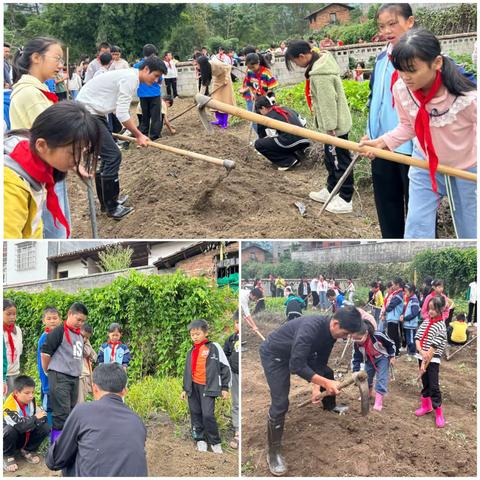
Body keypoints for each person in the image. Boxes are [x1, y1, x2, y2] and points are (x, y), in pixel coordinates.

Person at [361, 27, 477, 239]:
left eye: (412, 70)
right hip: (424, 164)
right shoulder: (401, 88)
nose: (405, 77)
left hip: (466, 167)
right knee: (417, 226)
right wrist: (383, 142)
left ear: (437, 63)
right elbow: (408, 126)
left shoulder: (466, 96)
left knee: (471, 228)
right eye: (401, 70)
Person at [259, 307, 365, 475]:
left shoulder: (331, 334)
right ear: (336, 324)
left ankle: (329, 406)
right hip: (276, 355)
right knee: (280, 403)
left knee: (327, 373)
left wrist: (317, 388)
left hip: (300, 353)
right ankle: (273, 453)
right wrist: (325, 382)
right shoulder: (310, 328)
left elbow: (320, 363)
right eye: (345, 334)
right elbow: (296, 366)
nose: (345, 338)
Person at [77, 55, 166, 219]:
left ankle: (107, 203)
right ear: (146, 69)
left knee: (106, 157)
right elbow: (122, 113)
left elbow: (116, 106)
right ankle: (112, 207)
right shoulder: (130, 79)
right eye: (155, 76)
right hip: (88, 113)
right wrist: (139, 135)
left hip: (95, 112)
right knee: (113, 155)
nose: (155, 80)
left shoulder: (130, 76)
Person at [4, 101, 100, 239]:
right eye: (73, 153)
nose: (78, 160)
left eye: (82, 152)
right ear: (42, 145)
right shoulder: (10, 188)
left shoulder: (30, 155)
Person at [9, 36, 72, 239]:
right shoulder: (30, 94)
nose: (60, 66)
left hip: (46, 169)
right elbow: (54, 135)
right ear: (36, 58)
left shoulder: (37, 91)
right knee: (53, 231)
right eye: (57, 59)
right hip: (40, 171)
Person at [285, 40, 354, 214]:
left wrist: (330, 129)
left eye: (295, 62)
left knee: (340, 159)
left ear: (302, 56)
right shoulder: (321, 61)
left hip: (335, 127)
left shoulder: (319, 74)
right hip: (332, 125)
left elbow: (328, 102)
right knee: (330, 158)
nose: (297, 65)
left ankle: (346, 198)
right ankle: (331, 188)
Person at [46, 363, 148, 476]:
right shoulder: (137, 421)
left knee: (70, 456)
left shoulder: (83, 412)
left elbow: (54, 461)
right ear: (124, 391)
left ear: (94, 388)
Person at [181, 320, 231, 454]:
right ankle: (200, 440)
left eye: (197, 334)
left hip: (208, 387)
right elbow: (187, 372)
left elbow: (225, 367)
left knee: (208, 414)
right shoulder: (191, 351)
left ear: (206, 333)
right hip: (193, 387)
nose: (195, 337)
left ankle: (215, 442)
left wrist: (225, 388)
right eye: (192, 335)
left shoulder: (214, 347)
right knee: (195, 413)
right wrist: (185, 389)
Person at [40, 302, 87, 443]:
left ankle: (69, 443)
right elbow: (45, 353)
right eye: (78, 319)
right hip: (60, 377)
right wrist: (50, 370)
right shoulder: (58, 331)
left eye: (83, 321)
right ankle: (57, 446)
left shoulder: (78, 334)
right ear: (69, 314)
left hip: (74, 378)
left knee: (72, 412)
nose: (80, 323)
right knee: (61, 414)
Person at [3, 375, 50, 473]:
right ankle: (8, 455)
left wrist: (36, 419)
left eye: (32, 392)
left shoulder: (31, 400)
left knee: (45, 427)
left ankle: (27, 450)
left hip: (24, 432)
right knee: (9, 430)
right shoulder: (9, 406)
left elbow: (42, 416)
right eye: (27, 393)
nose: (31, 396)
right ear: (16, 393)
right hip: (10, 437)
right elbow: (19, 426)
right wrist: (35, 418)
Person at [414, 295, 447, 428]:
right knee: (425, 382)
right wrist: (421, 352)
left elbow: (433, 349)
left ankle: (438, 412)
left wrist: (424, 364)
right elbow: (417, 337)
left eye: (433, 309)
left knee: (434, 385)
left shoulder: (441, 327)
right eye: (429, 309)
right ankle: (426, 407)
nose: (431, 312)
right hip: (422, 356)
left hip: (432, 360)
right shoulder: (426, 322)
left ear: (440, 309)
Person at [254, 96, 310, 171]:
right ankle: (297, 155)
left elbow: (264, 136)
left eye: (259, 111)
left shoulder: (267, 117)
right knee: (281, 137)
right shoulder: (285, 108)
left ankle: (288, 161)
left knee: (259, 144)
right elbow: (303, 121)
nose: (260, 113)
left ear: (263, 108)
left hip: (292, 141)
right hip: (305, 139)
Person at [352, 317, 396, 411]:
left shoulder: (378, 335)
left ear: (366, 333)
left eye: (359, 338)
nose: (358, 341)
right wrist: (355, 371)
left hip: (382, 357)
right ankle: (367, 395)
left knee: (381, 378)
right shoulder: (356, 344)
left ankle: (378, 401)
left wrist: (392, 356)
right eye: (355, 339)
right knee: (366, 378)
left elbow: (391, 344)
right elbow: (357, 358)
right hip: (369, 359)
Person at [133, 44, 167, 141]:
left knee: (145, 115)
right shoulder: (155, 65)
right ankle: (154, 135)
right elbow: (159, 80)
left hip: (142, 94)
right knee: (156, 116)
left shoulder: (137, 65)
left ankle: (144, 133)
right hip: (154, 93)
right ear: (154, 53)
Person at [196, 54, 236, 128]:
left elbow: (228, 67)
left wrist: (226, 79)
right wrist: (199, 96)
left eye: (198, 64)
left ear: (202, 64)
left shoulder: (216, 64)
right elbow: (204, 83)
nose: (197, 66)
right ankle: (219, 120)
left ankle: (224, 123)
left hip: (225, 81)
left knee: (224, 101)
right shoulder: (205, 69)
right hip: (217, 80)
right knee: (216, 101)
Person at [36, 306, 62, 425]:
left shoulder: (63, 336)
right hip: (49, 380)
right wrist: (46, 385)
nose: (52, 321)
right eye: (49, 318)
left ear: (60, 320)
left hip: (61, 379)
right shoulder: (44, 338)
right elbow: (42, 366)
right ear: (44, 321)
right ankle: (51, 433)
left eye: (55, 318)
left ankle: (61, 433)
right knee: (50, 407)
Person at [223, 312, 239, 449]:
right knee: (236, 401)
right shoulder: (231, 340)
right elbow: (226, 355)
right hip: (234, 374)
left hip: (243, 373)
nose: (239, 325)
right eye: (237, 323)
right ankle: (238, 429)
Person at [3, 299, 22, 394]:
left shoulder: (17, 330)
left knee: (14, 401)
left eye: (14, 314)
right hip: (4, 375)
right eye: (8, 314)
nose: (12, 317)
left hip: (15, 372)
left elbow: (19, 350)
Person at [384, 277, 404, 356]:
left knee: (392, 336)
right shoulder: (397, 294)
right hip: (392, 317)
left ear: (397, 285)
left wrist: (386, 310)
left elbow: (391, 305)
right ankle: (396, 351)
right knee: (394, 335)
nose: (392, 286)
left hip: (393, 317)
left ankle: (394, 352)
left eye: (393, 285)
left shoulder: (399, 295)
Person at [77, 323, 97, 404]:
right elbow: (86, 352)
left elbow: (94, 356)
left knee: (84, 398)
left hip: (85, 374)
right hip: (78, 375)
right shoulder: (76, 341)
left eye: (87, 338)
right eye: (83, 336)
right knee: (80, 400)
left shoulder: (85, 342)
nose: (84, 339)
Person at [400, 284, 420, 359]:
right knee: (408, 339)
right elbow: (406, 310)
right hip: (407, 324)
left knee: (411, 339)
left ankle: (412, 353)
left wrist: (405, 318)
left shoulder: (414, 300)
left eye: (406, 292)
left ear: (411, 292)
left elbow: (414, 313)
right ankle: (410, 352)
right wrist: (402, 315)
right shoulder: (409, 299)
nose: (405, 293)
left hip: (411, 325)